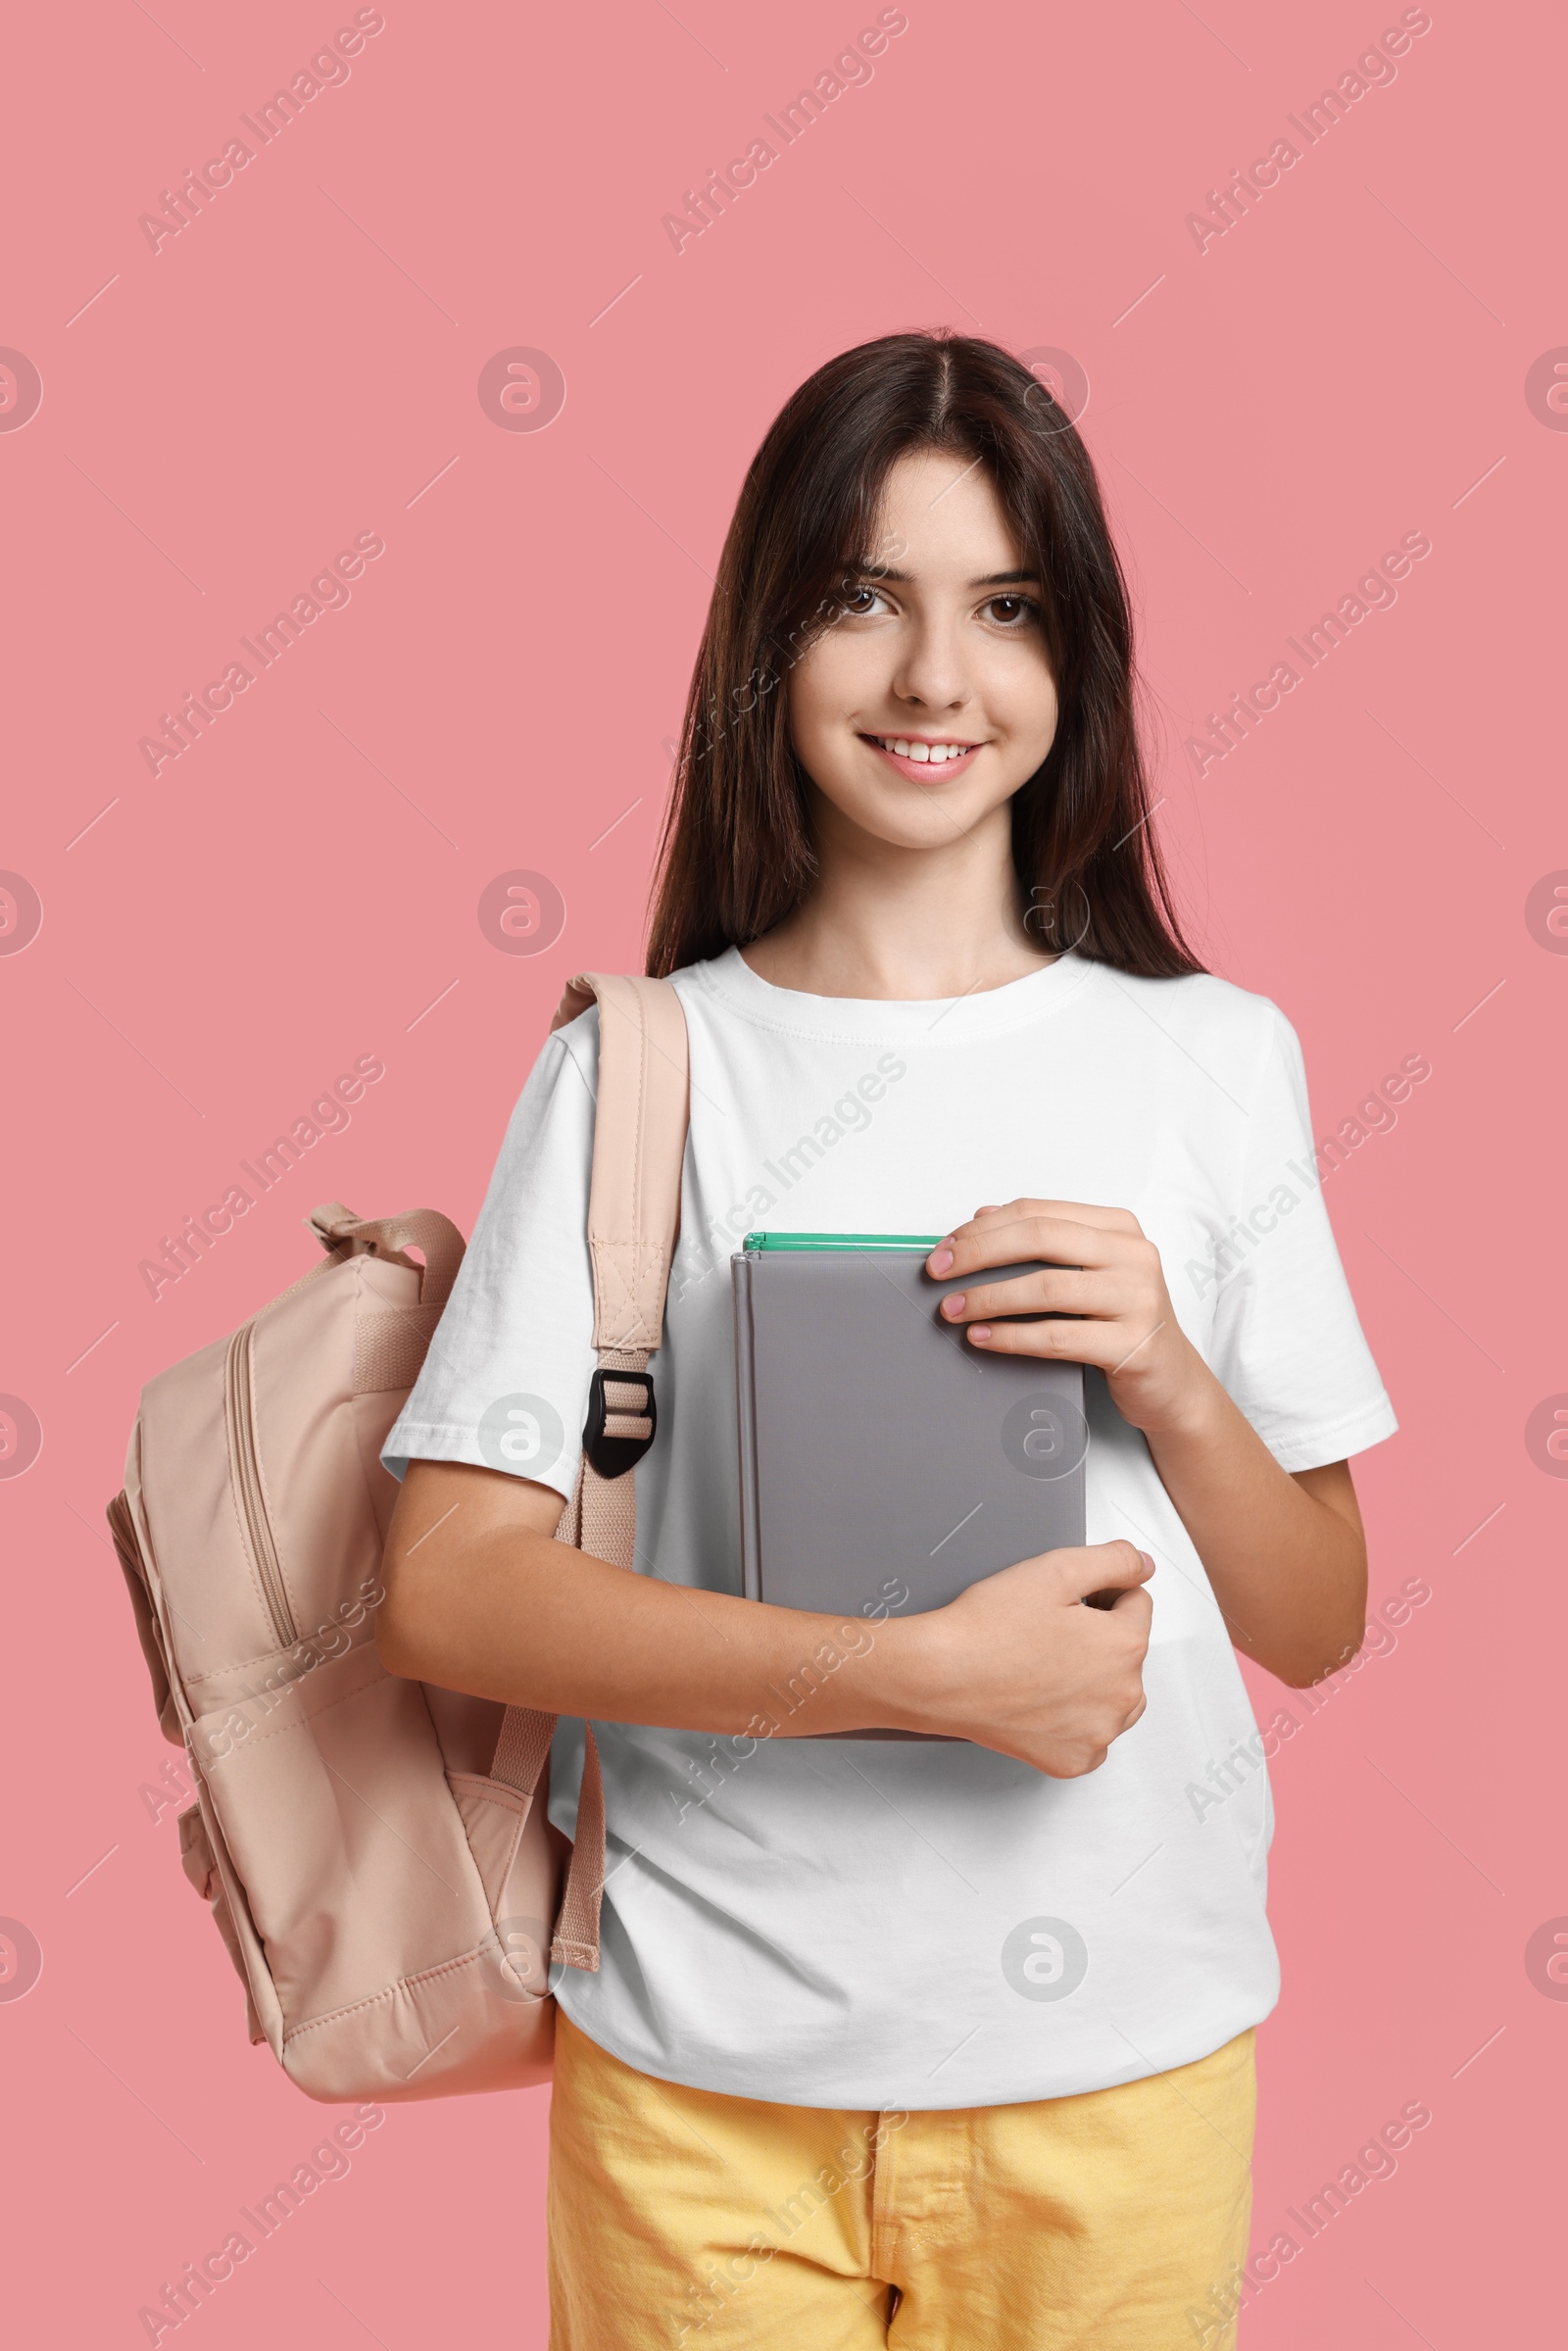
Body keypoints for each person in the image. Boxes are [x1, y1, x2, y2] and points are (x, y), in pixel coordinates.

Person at [377, 330, 1396, 2350]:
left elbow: (1317, 1618)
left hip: (1122, 2074)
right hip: (703, 2084)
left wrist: (1170, 1380)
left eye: (1003, 609)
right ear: (771, 643)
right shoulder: (635, 1071)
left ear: (1072, 655)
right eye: (864, 599)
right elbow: (444, 1591)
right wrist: (907, 1678)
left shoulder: (1207, 1059)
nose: (936, 680)